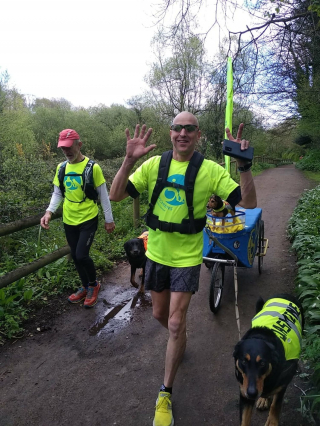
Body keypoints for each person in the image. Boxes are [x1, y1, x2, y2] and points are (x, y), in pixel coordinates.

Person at [109, 112, 256, 426]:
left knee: (175, 324)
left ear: (198, 135)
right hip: (158, 254)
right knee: (160, 316)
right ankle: (180, 340)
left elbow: (248, 205)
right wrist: (127, 161)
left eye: (190, 128)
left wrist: (243, 165)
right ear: (171, 133)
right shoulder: (154, 165)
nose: (183, 133)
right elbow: (115, 195)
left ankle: (165, 393)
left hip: (188, 257)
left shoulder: (210, 170)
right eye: (177, 128)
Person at [40, 129, 115, 308]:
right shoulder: (62, 168)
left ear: (79, 145)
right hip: (69, 219)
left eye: (69, 147)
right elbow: (58, 192)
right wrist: (49, 211)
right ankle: (84, 286)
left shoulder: (92, 168)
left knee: (82, 254)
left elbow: (103, 195)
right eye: (63, 148)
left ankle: (94, 285)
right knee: (75, 255)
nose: (67, 152)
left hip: (88, 218)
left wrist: (109, 218)